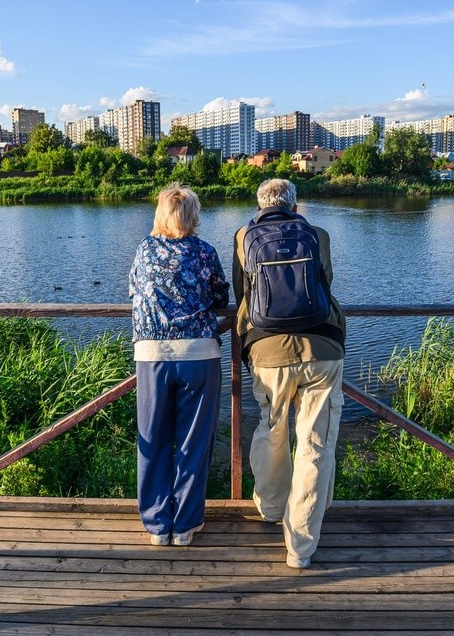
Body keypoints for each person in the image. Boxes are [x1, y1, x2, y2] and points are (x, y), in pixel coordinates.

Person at [232, 178, 346, 569]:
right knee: (315, 445)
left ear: (259, 204)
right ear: (295, 206)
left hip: (266, 352)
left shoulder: (243, 235)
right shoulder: (318, 235)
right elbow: (325, 283)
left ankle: (270, 507)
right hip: (322, 348)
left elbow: (242, 296)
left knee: (271, 428)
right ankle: (300, 547)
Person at [129, 183, 230, 547]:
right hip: (198, 354)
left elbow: (133, 291)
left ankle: (157, 525)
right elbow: (221, 295)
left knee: (153, 439)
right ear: (193, 215)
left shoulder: (144, 250)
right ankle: (185, 525)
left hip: (153, 354)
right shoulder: (204, 251)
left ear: (160, 215)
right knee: (193, 441)